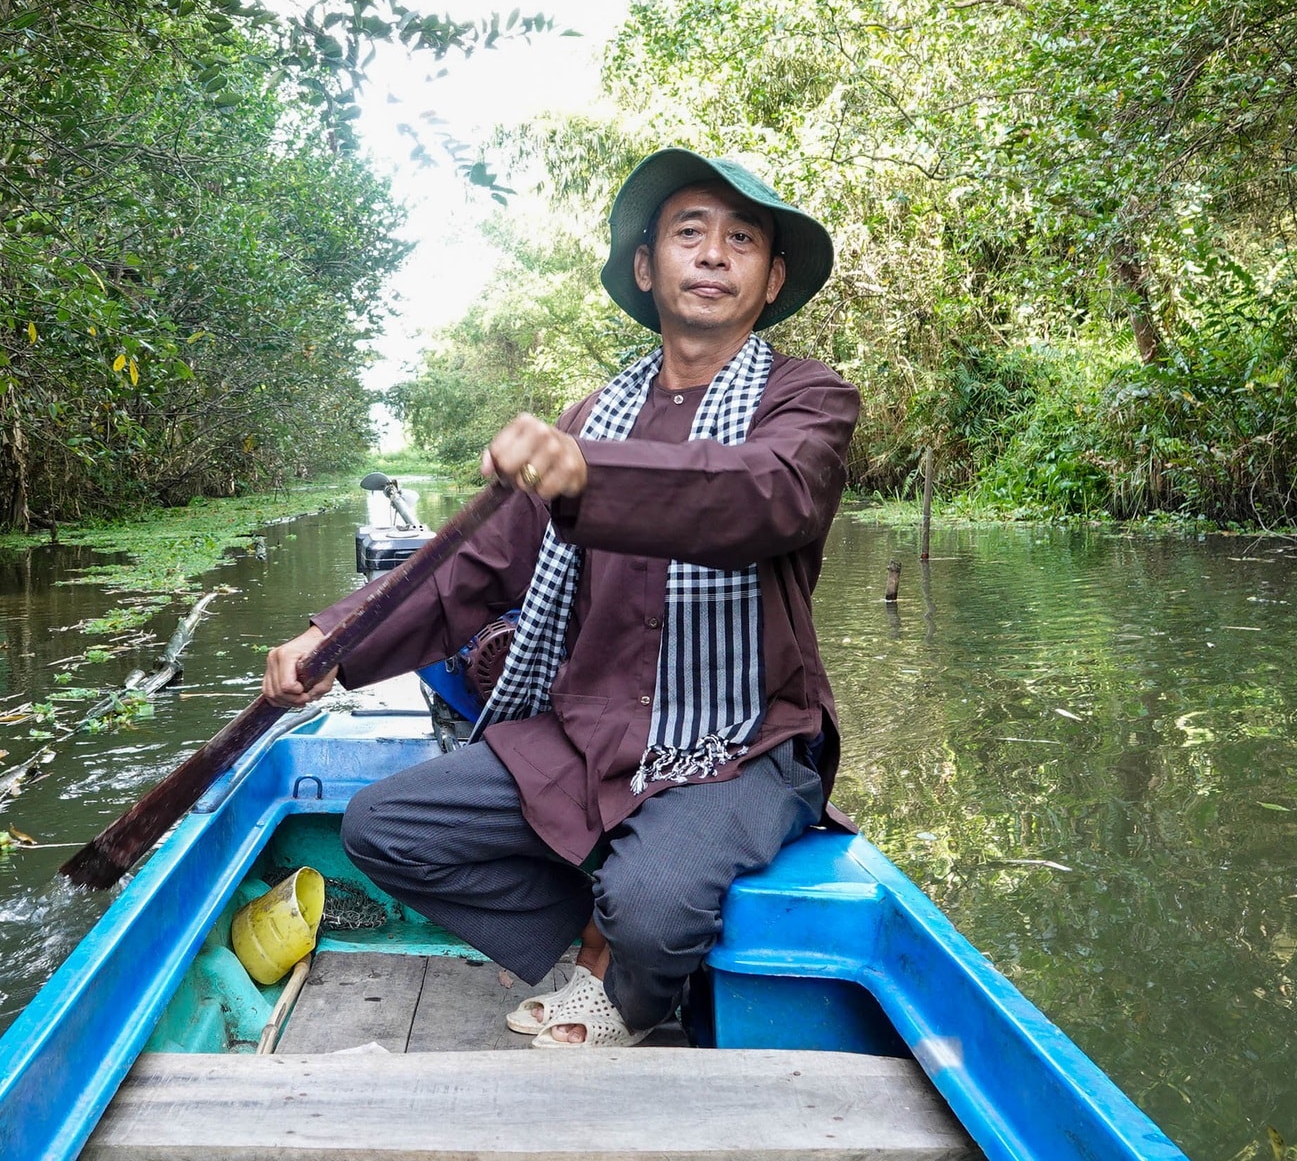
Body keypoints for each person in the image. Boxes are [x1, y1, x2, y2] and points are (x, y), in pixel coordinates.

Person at [263, 148, 859, 1049]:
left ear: (772, 278)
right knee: (382, 828)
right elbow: (474, 570)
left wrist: (592, 477)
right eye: (688, 234)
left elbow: (765, 493)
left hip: (742, 741)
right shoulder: (589, 418)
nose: (712, 255)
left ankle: (628, 983)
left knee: (655, 907)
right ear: (644, 267)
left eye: (742, 240)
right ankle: (599, 928)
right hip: (586, 734)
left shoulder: (806, 403)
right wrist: (336, 640)